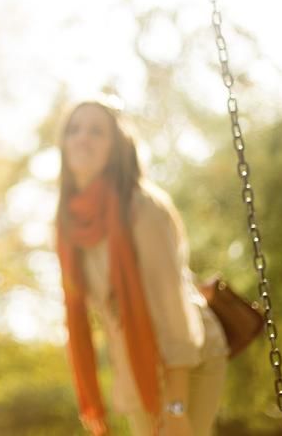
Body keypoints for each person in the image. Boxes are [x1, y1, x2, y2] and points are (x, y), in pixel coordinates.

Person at [55, 97, 228, 436]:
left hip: (190, 359)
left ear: (117, 146)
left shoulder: (142, 208)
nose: (82, 138)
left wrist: (175, 407)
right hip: (136, 370)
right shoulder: (68, 224)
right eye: (74, 130)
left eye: (96, 131)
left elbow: (173, 309)